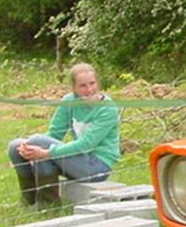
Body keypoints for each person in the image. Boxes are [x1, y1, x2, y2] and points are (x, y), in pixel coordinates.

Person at [8, 62, 120, 205]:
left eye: (92, 83)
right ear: (73, 88)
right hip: (77, 159)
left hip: (97, 166)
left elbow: (87, 144)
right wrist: (30, 150)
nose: (89, 89)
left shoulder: (107, 109)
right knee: (15, 146)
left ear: (98, 83)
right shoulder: (68, 101)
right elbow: (53, 135)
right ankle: (31, 201)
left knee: (39, 143)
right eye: (83, 86)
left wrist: (46, 153)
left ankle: (48, 204)